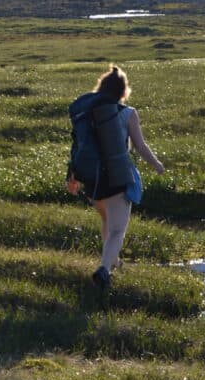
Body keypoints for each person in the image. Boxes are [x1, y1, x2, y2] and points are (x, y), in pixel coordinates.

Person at [66, 65, 164, 289]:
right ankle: (103, 270)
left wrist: (72, 174)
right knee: (118, 230)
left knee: (107, 223)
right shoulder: (128, 113)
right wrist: (156, 164)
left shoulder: (87, 113)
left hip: (92, 180)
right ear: (123, 90)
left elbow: (78, 145)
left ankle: (115, 262)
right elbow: (140, 146)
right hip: (117, 178)